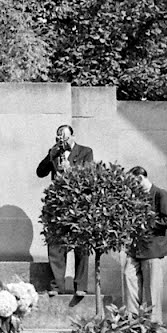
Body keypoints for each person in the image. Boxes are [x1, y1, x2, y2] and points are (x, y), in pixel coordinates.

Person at [36, 124, 95, 297]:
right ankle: (57, 285)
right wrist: (52, 154)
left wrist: (71, 170)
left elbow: (89, 175)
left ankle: (81, 286)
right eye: (59, 138)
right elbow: (40, 172)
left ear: (73, 137)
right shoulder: (54, 152)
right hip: (59, 204)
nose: (62, 141)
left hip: (79, 203)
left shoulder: (85, 151)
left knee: (81, 246)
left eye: (65, 137)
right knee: (56, 245)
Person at [124, 166, 167, 323]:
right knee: (128, 275)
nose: (131, 187)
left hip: (153, 249)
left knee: (152, 292)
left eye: (133, 182)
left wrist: (147, 224)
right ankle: (132, 322)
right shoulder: (135, 196)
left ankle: (153, 328)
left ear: (140, 179)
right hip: (135, 248)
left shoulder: (160, 194)